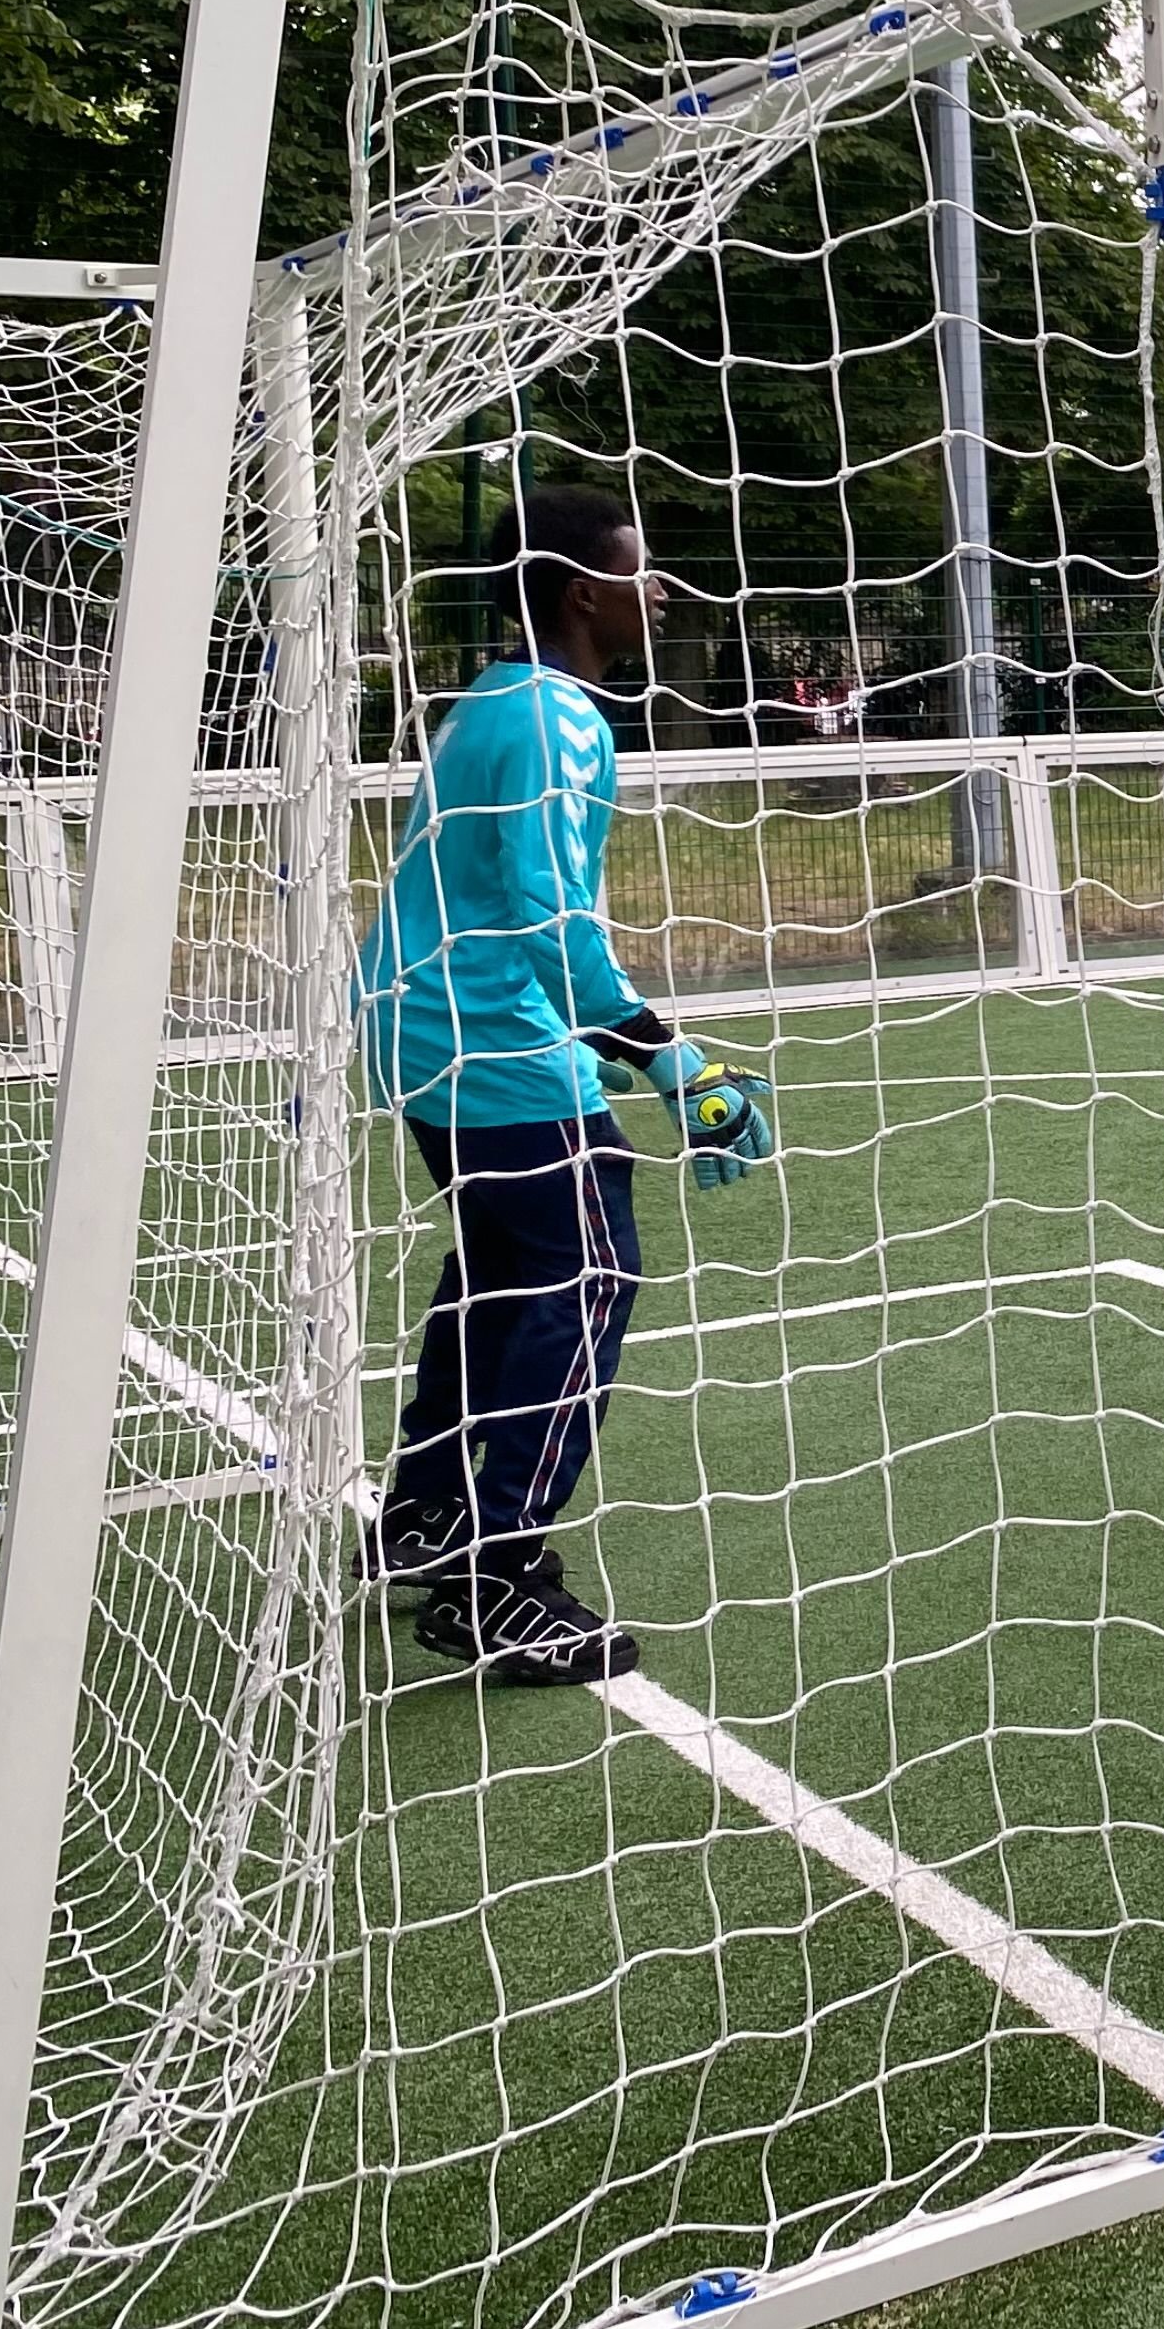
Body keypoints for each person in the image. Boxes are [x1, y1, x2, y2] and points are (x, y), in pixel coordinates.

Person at [357, 485, 774, 1685]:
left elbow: (501, 907)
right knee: (590, 1268)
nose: (659, 588)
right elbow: (549, 920)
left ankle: (426, 1515)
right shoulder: (558, 720)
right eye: (642, 571)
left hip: (426, 1031)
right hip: (490, 1036)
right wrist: (666, 1057)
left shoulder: (494, 701)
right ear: (584, 590)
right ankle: (501, 1580)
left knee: (500, 1265)